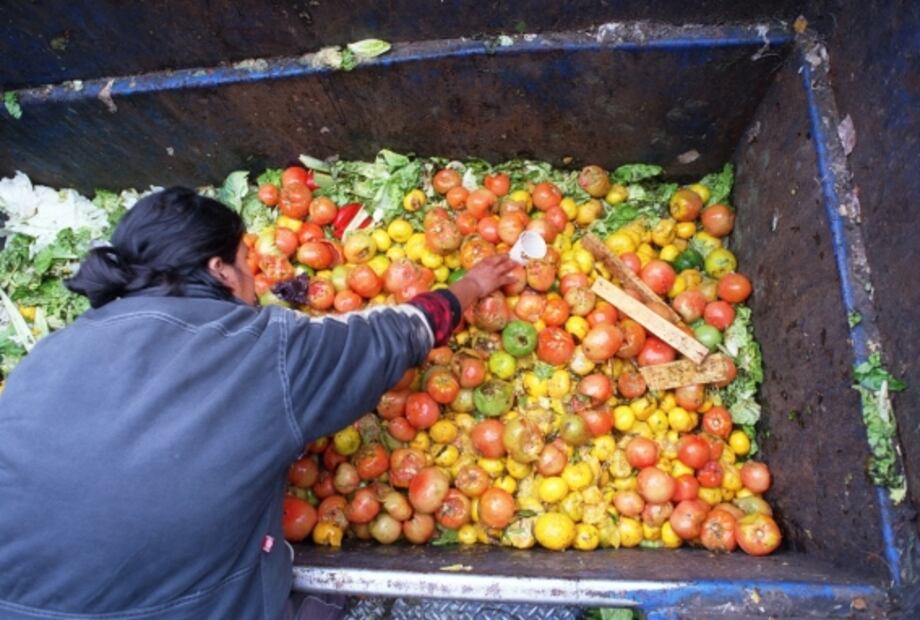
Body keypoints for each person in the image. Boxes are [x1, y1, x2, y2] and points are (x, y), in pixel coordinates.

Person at [0, 187, 518, 619]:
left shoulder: (49, 351)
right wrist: (470, 286)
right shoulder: (262, 346)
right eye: (249, 262)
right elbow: (388, 337)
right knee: (318, 598)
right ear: (220, 270)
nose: (259, 280)